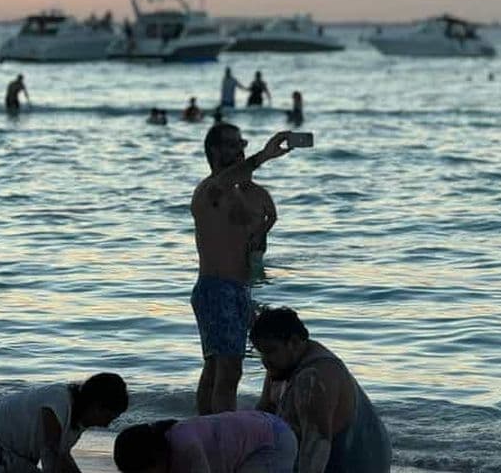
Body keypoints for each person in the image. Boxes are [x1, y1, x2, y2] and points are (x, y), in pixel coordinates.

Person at [191, 125, 293, 414]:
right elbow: (227, 181)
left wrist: (263, 225)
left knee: (217, 367)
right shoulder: (210, 190)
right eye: (233, 144)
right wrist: (264, 156)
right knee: (227, 371)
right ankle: (222, 435)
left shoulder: (242, 194)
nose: (240, 149)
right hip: (216, 288)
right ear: (214, 150)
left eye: (242, 143)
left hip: (238, 290)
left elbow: (255, 242)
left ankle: (209, 428)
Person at [252, 308, 391, 473]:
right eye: (261, 352)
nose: (265, 361)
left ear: (295, 342)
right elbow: (262, 417)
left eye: (270, 351)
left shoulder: (314, 378)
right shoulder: (281, 364)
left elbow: (315, 451)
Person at [0, 372, 128, 473]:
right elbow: (50, 453)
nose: (107, 425)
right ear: (96, 406)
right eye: (109, 417)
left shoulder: (76, 418)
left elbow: (62, 457)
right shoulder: (58, 402)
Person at [113, 411, 297, 473]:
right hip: (264, 427)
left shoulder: (185, 447)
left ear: (155, 458)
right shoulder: (168, 448)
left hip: (272, 440)